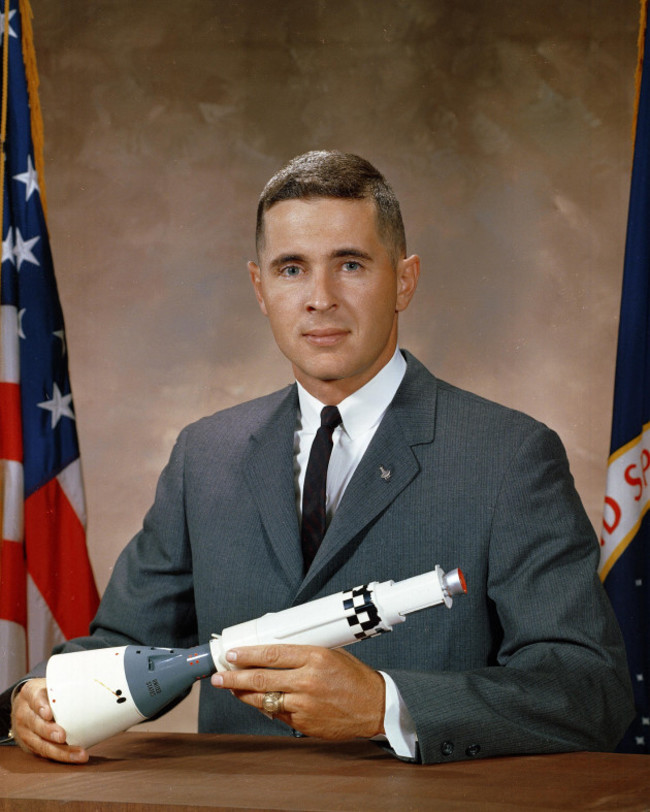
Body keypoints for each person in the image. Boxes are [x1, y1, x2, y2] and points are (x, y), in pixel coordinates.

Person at [1, 151, 634, 764]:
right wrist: (40, 698)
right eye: (291, 268)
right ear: (260, 286)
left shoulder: (507, 456)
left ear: (404, 280)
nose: (320, 297)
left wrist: (388, 705)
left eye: (351, 265)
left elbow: (588, 690)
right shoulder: (207, 455)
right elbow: (125, 647)